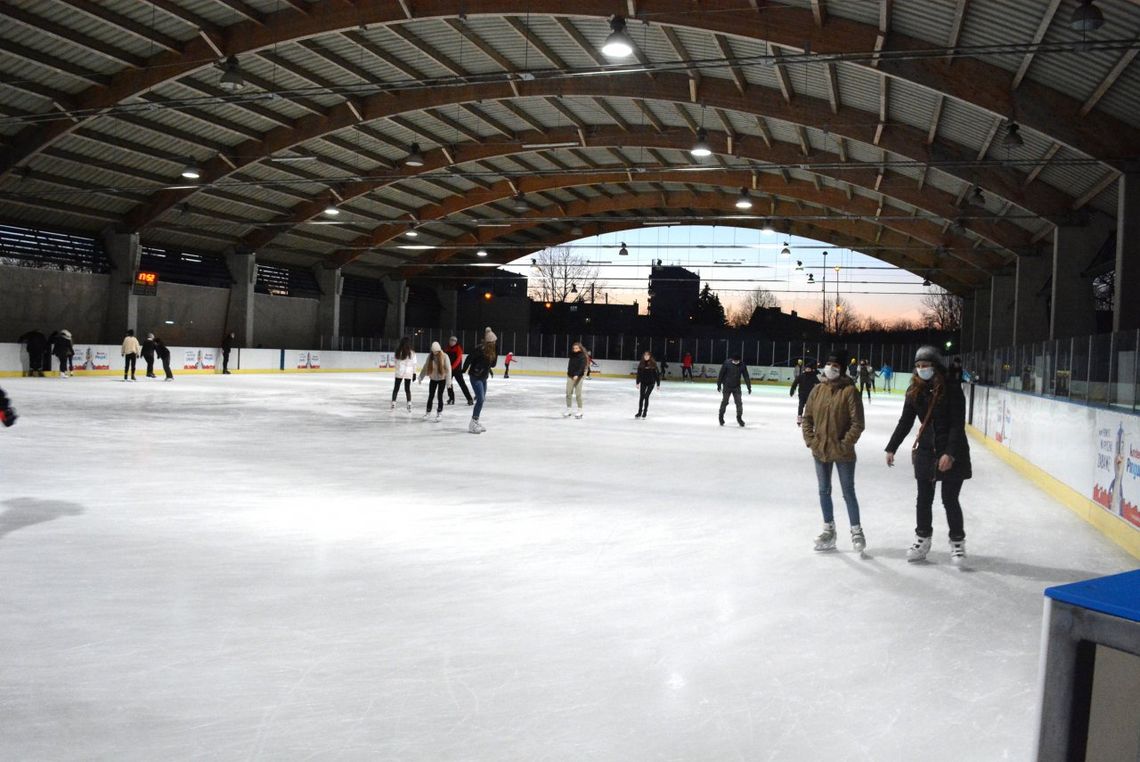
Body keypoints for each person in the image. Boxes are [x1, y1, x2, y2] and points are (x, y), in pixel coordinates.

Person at [885, 346, 972, 565]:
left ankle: (957, 542)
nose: (922, 369)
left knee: (949, 498)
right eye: (918, 366)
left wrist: (950, 454)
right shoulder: (914, 391)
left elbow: (957, 425)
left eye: (926, 365)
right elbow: (905, 421)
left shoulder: (952, 389)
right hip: (926, 449)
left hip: (953, 449)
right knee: (923, 498)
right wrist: (891, 447)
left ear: (936, 367)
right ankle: (922, 539)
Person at [802, 349, 866, 553]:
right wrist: (811, 441)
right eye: (829, 365)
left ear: (842, 370)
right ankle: (829, 530)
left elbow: (858, 423)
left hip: (843, 453)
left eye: (836, 366)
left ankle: (856, 531)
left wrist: (843, 445)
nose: (831, 369)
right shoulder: (817, 390)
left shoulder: (849, 392)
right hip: (820, 451)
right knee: (824, 490)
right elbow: (807, 418)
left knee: (848, 492)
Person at [462, 327, 497, 434]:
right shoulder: (479, 349)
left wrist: (494, 357)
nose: (495, 343)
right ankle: (472, 424)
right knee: (481, 399)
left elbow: (493, 365)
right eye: (493, 342)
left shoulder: (492, 351)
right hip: (475, 377)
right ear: (489, 342)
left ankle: (476, 421)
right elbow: (469, 358)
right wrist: (463, 370)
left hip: (483, 377)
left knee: (482, 399)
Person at [417, 341, 452, 422]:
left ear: (439, 350)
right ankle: (428, 412)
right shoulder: (430, 356)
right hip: (433, 379)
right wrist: (420, 377)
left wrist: (449, 382)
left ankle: (439, 413)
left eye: (436, 352)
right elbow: (425, 367)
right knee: (431, 396)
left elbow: (448, 370)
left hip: (442, 379)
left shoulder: (445, 356)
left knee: (440, 396)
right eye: (433, 351)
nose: (435, 353)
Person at [716, 353, 752, 427]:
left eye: (737, 361)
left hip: (736, 387)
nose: (736, 362)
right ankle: (721, 417)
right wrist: (719, 384)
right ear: (732, 359)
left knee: (739, 403)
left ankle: (739, 418)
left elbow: (746, 376)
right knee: (725, 402)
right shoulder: (727, 363)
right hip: (727, 386)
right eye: (734, 361)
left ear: (739, 360)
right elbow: (721, 373)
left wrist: (749, 386)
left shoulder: (742, 365)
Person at [444, 335, 473, 406]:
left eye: (454, 341)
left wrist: (452, 367)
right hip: (449, 370)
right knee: (449, 384)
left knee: (462, 384)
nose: (452, 342)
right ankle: (451, 399)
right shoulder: (446, 348)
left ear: (456, 342)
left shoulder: (458, 349)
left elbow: (458, 360)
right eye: (451, 340)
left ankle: (469, 399)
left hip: (457, 370)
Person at [564, 341, 589, 418]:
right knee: (568, 393)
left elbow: (581, 367)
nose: (575, 349)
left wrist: (577, 375)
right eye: (574, 348)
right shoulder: (572, 355)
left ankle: (580, 410)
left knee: (578, 394)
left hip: (579, 376)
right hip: (570, 376)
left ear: (580, 349)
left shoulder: (583, 356)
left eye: (576, 348)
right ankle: (569, 409)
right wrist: (569, 373)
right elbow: (570, 365)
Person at [789, 361, 820, 426]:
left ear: (811, 369)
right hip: (802, 394)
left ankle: (810, 419)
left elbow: (819, 384)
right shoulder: (801, 376)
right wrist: (792, 389)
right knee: (801, 405)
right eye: (806, 368)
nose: (807, 370)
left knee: (810, 407)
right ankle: (799, 417)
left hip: (810, 395)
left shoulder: (813, 376)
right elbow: (795, 383)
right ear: (805, 369)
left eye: (809, 369)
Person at [390, 336, 416, 412]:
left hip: (399, 372)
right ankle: (409, 404)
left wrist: (399, 367)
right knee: (407, 389)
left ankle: (393, 403)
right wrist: (414, 373)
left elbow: (395, 362)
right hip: (408, 373)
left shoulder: (398, 351)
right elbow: (414, 364)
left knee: (396, 388)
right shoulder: (412, 353)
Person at [634, 350, 661, 418]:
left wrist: (658, 384)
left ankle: (645, 412)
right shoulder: (641, 363)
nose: (646, 356)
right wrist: (637, 382)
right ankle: (639, 412)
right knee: (641, 397)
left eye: (647, 355)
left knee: (646, 396)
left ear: (650, 356)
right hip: (643, 382)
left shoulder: (653, 364)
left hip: (651, 383)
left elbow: (657, 375)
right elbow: (639, 374)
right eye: (645, 355)